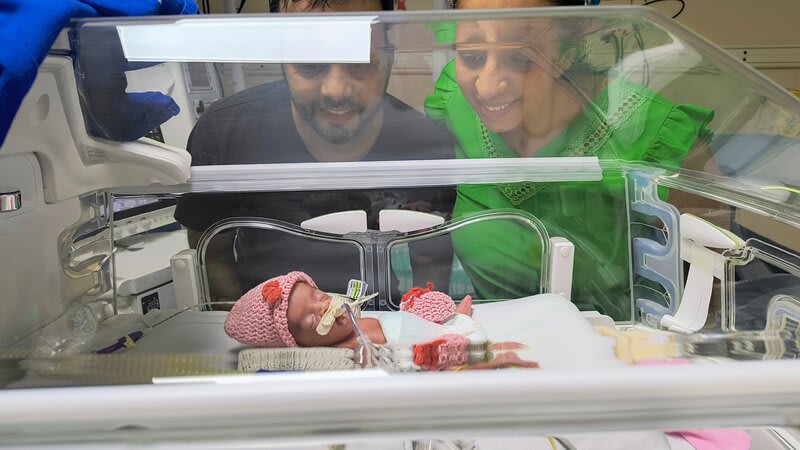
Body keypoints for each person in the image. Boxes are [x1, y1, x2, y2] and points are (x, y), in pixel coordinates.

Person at [424, 0, 715, 320]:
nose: (488, 87)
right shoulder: (457, 100)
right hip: (494, 337)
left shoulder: (650, 132)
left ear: (568, 50)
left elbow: (712, 292)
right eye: (472, 56)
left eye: (520, 59)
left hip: (612, 341)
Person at [174, 0, 457, 304]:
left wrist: (412, 328)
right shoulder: (225, 132)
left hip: (382, 321)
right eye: (310, 63)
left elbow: (430, 269)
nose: (336, 90)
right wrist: (247, 325)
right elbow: (211, 255)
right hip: (266, 323)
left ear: (388, 56)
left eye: (360, 61)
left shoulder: (425, 146)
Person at [224, 271, 540, 370]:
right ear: (300, 346)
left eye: (318, 296)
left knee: (430, 306)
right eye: (309, 320)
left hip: (425, 329)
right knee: (461, 352)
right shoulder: (351, 349)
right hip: (433, 352)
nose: (323, 308)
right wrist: (480, 355)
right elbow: (415, 359)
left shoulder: (354, 319)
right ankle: (484, 349)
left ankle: (460, 321)